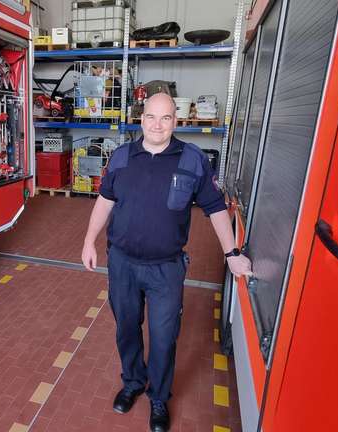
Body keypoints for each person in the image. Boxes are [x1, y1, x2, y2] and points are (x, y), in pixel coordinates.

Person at [81, 93, 252, 432]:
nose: (157, 125)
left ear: (176, 121)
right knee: (127, 329)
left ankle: (158, 396)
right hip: (123, 264)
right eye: (150, 117)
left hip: (166, 269)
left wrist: (232, 254)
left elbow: (216, 209)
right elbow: (104, 201)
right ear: (140, 119)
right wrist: (89, 240)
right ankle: (132, 382)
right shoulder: (121, 157)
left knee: (163, 336)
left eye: (165, 118)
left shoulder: (192, 160)